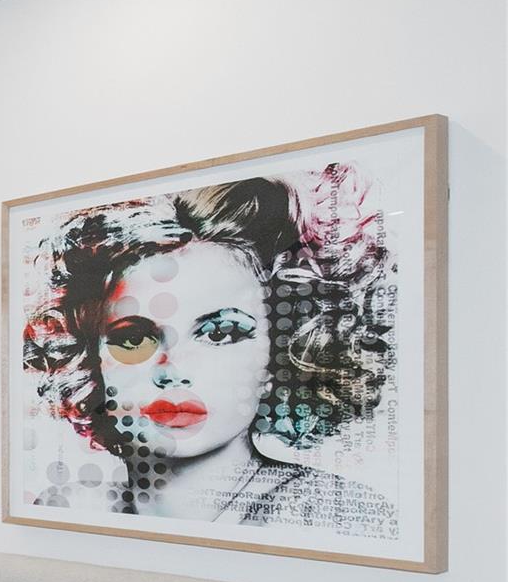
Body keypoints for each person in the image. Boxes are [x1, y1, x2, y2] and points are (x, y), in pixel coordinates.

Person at [23, 171, 397, 537]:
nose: (173, 371)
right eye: (135, 339)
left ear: (279, 354)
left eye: (220, 333)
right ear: (90, 362)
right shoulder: (70, 510)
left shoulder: (335, 516)